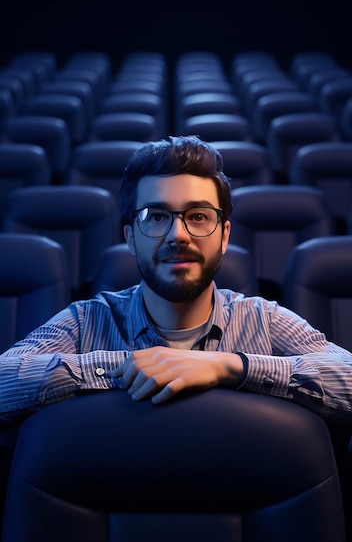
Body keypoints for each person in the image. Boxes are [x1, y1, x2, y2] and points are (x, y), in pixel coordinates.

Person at [1, 134, 352, 425]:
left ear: (224, 235)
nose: (178, 235)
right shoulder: (86, 320)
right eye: (156, 216)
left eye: (198, 216)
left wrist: (230, 367)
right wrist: (127, 366)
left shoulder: (264, 319)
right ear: (130, 236)